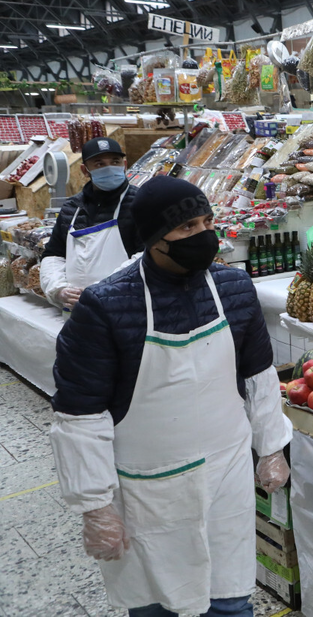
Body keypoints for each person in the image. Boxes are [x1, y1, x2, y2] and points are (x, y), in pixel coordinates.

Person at [49, 176, 292, 617]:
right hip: (148, 489)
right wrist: (94, 507)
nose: (202, 236)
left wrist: (271, 447)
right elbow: (80, 416)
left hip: (225, 474)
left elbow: (258, 374)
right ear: (152, 239)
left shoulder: (235, 290)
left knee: (231, 600)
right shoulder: (104, 308)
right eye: (185, 228)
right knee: (156, 604)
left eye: (206, 222)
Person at [41, 137, 142, 309]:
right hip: (76, 310)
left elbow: (146, 256)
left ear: (124, 165)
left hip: (125, 308)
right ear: (85, 170)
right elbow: (53, 255)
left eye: (115, 162)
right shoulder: (71, 208)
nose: (109, 168)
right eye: (99, 164)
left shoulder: (140, 204)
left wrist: (103, 290)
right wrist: (58, 289)